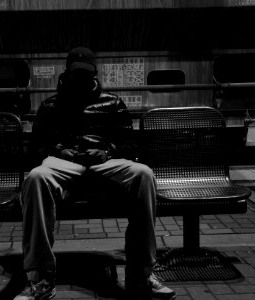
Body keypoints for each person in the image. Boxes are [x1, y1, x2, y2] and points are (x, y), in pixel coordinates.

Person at [14, 47, 176, 300]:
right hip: (64, 160)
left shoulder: (112, 103)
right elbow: (35, 148)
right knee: (36, 177)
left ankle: (142, 274)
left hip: (103, 160)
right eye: (77, 73)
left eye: (85, 74)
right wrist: (60, 150)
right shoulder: (51, 106)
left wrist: (109, 150)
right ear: (67, 73)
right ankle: (40, 277)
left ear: (94, 74)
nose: (81, 78)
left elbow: (131, 145)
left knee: (143, 173)